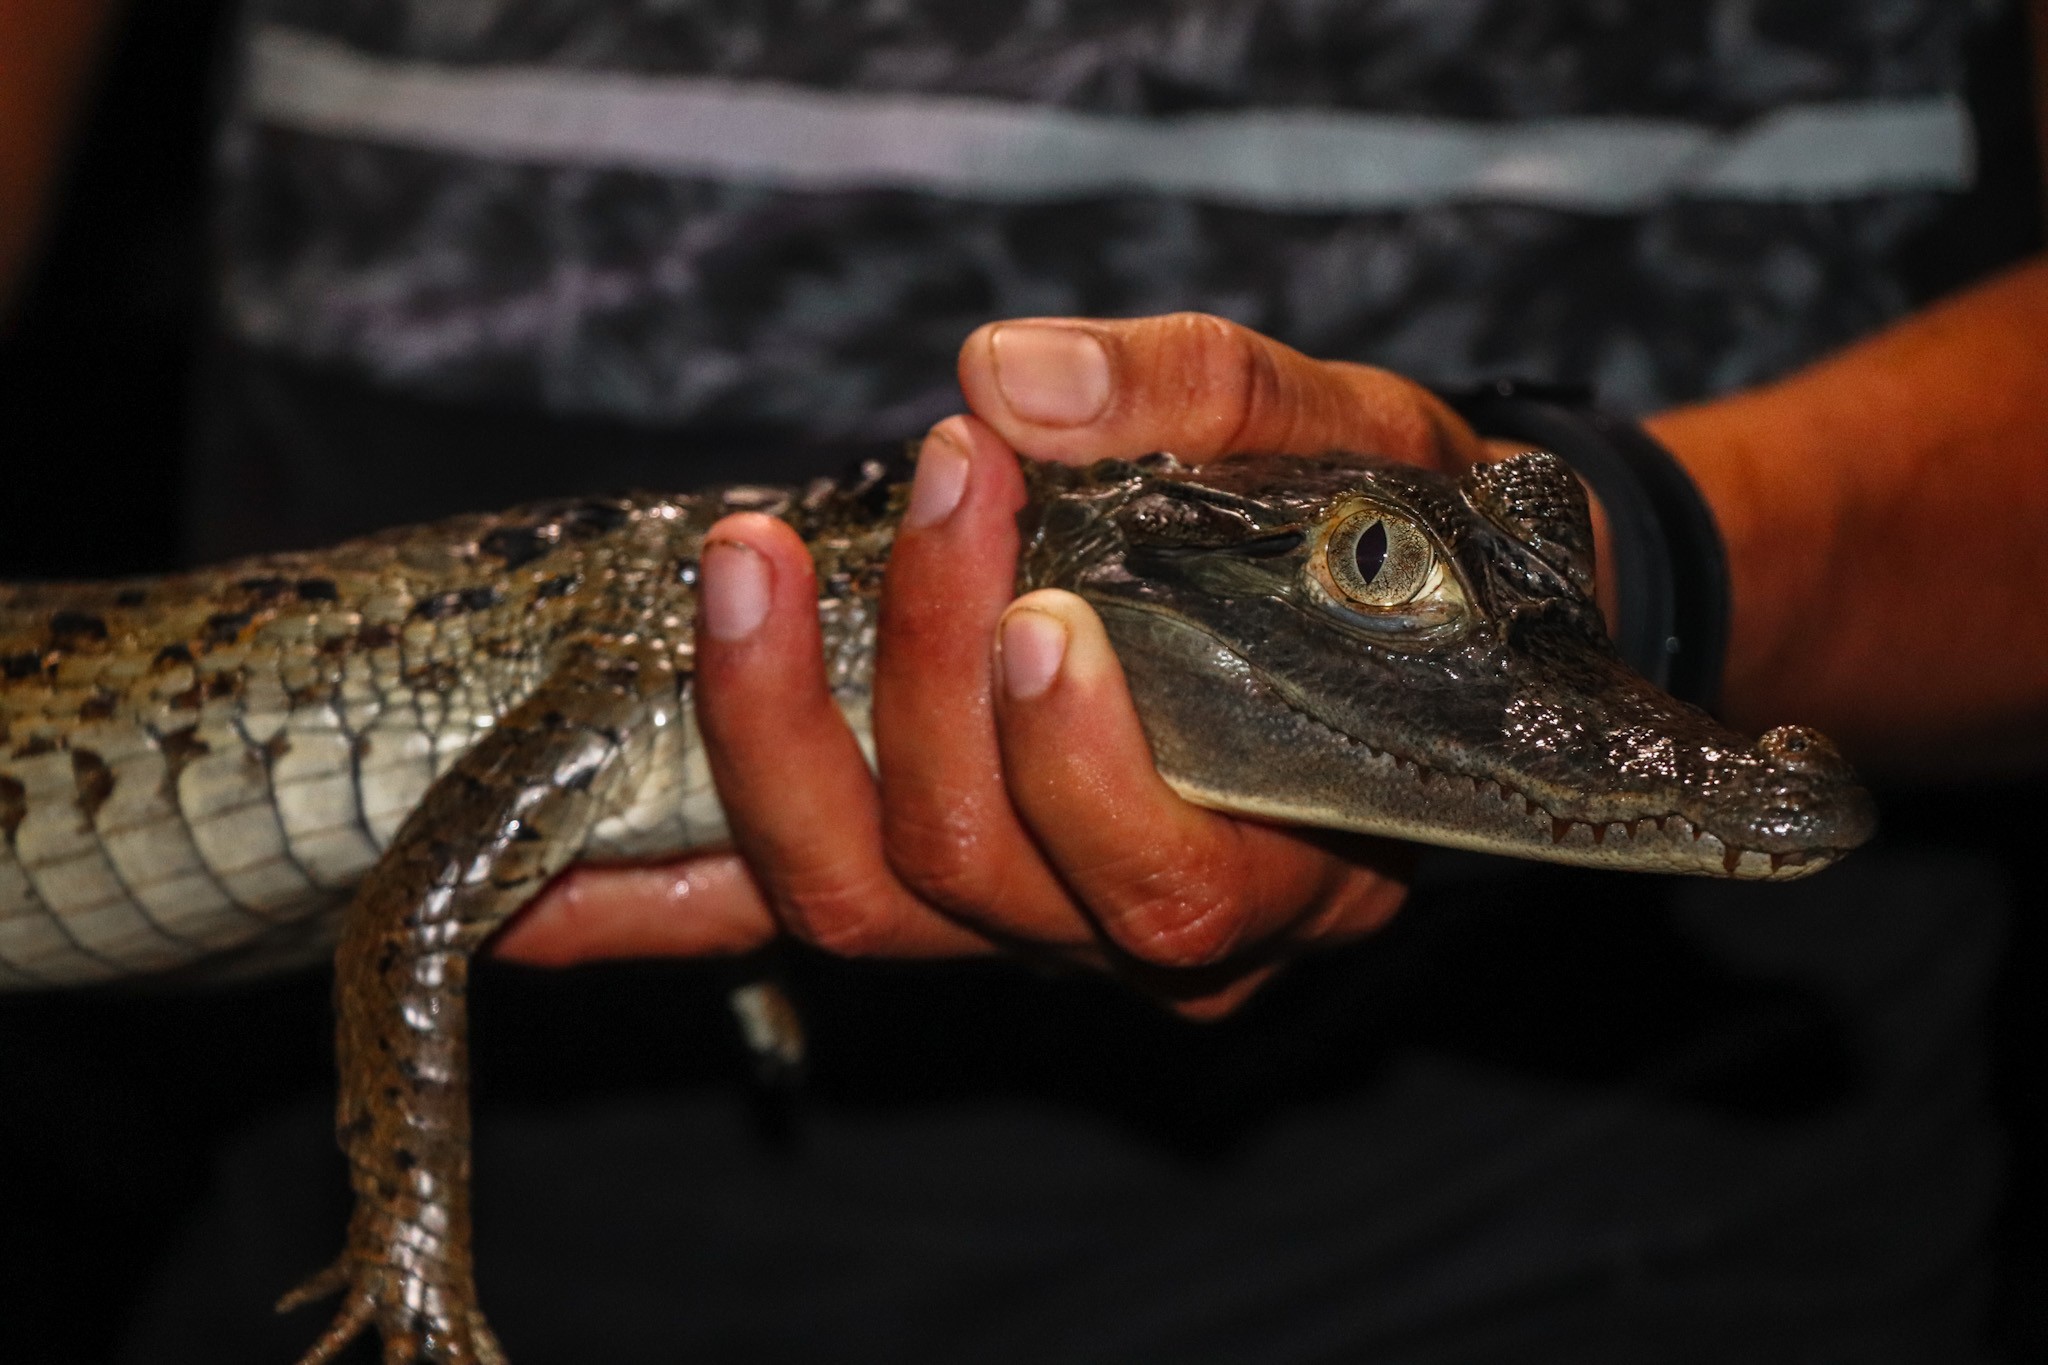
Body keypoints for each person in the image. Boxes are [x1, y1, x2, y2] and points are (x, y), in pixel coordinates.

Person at [3, 1, 2044, 1359]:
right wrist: (419, 1266)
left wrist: (1646, 551)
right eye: (1383, 570)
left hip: (1589, 1265)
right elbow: (413, 919)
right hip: (333, 1145)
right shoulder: (676, 641)